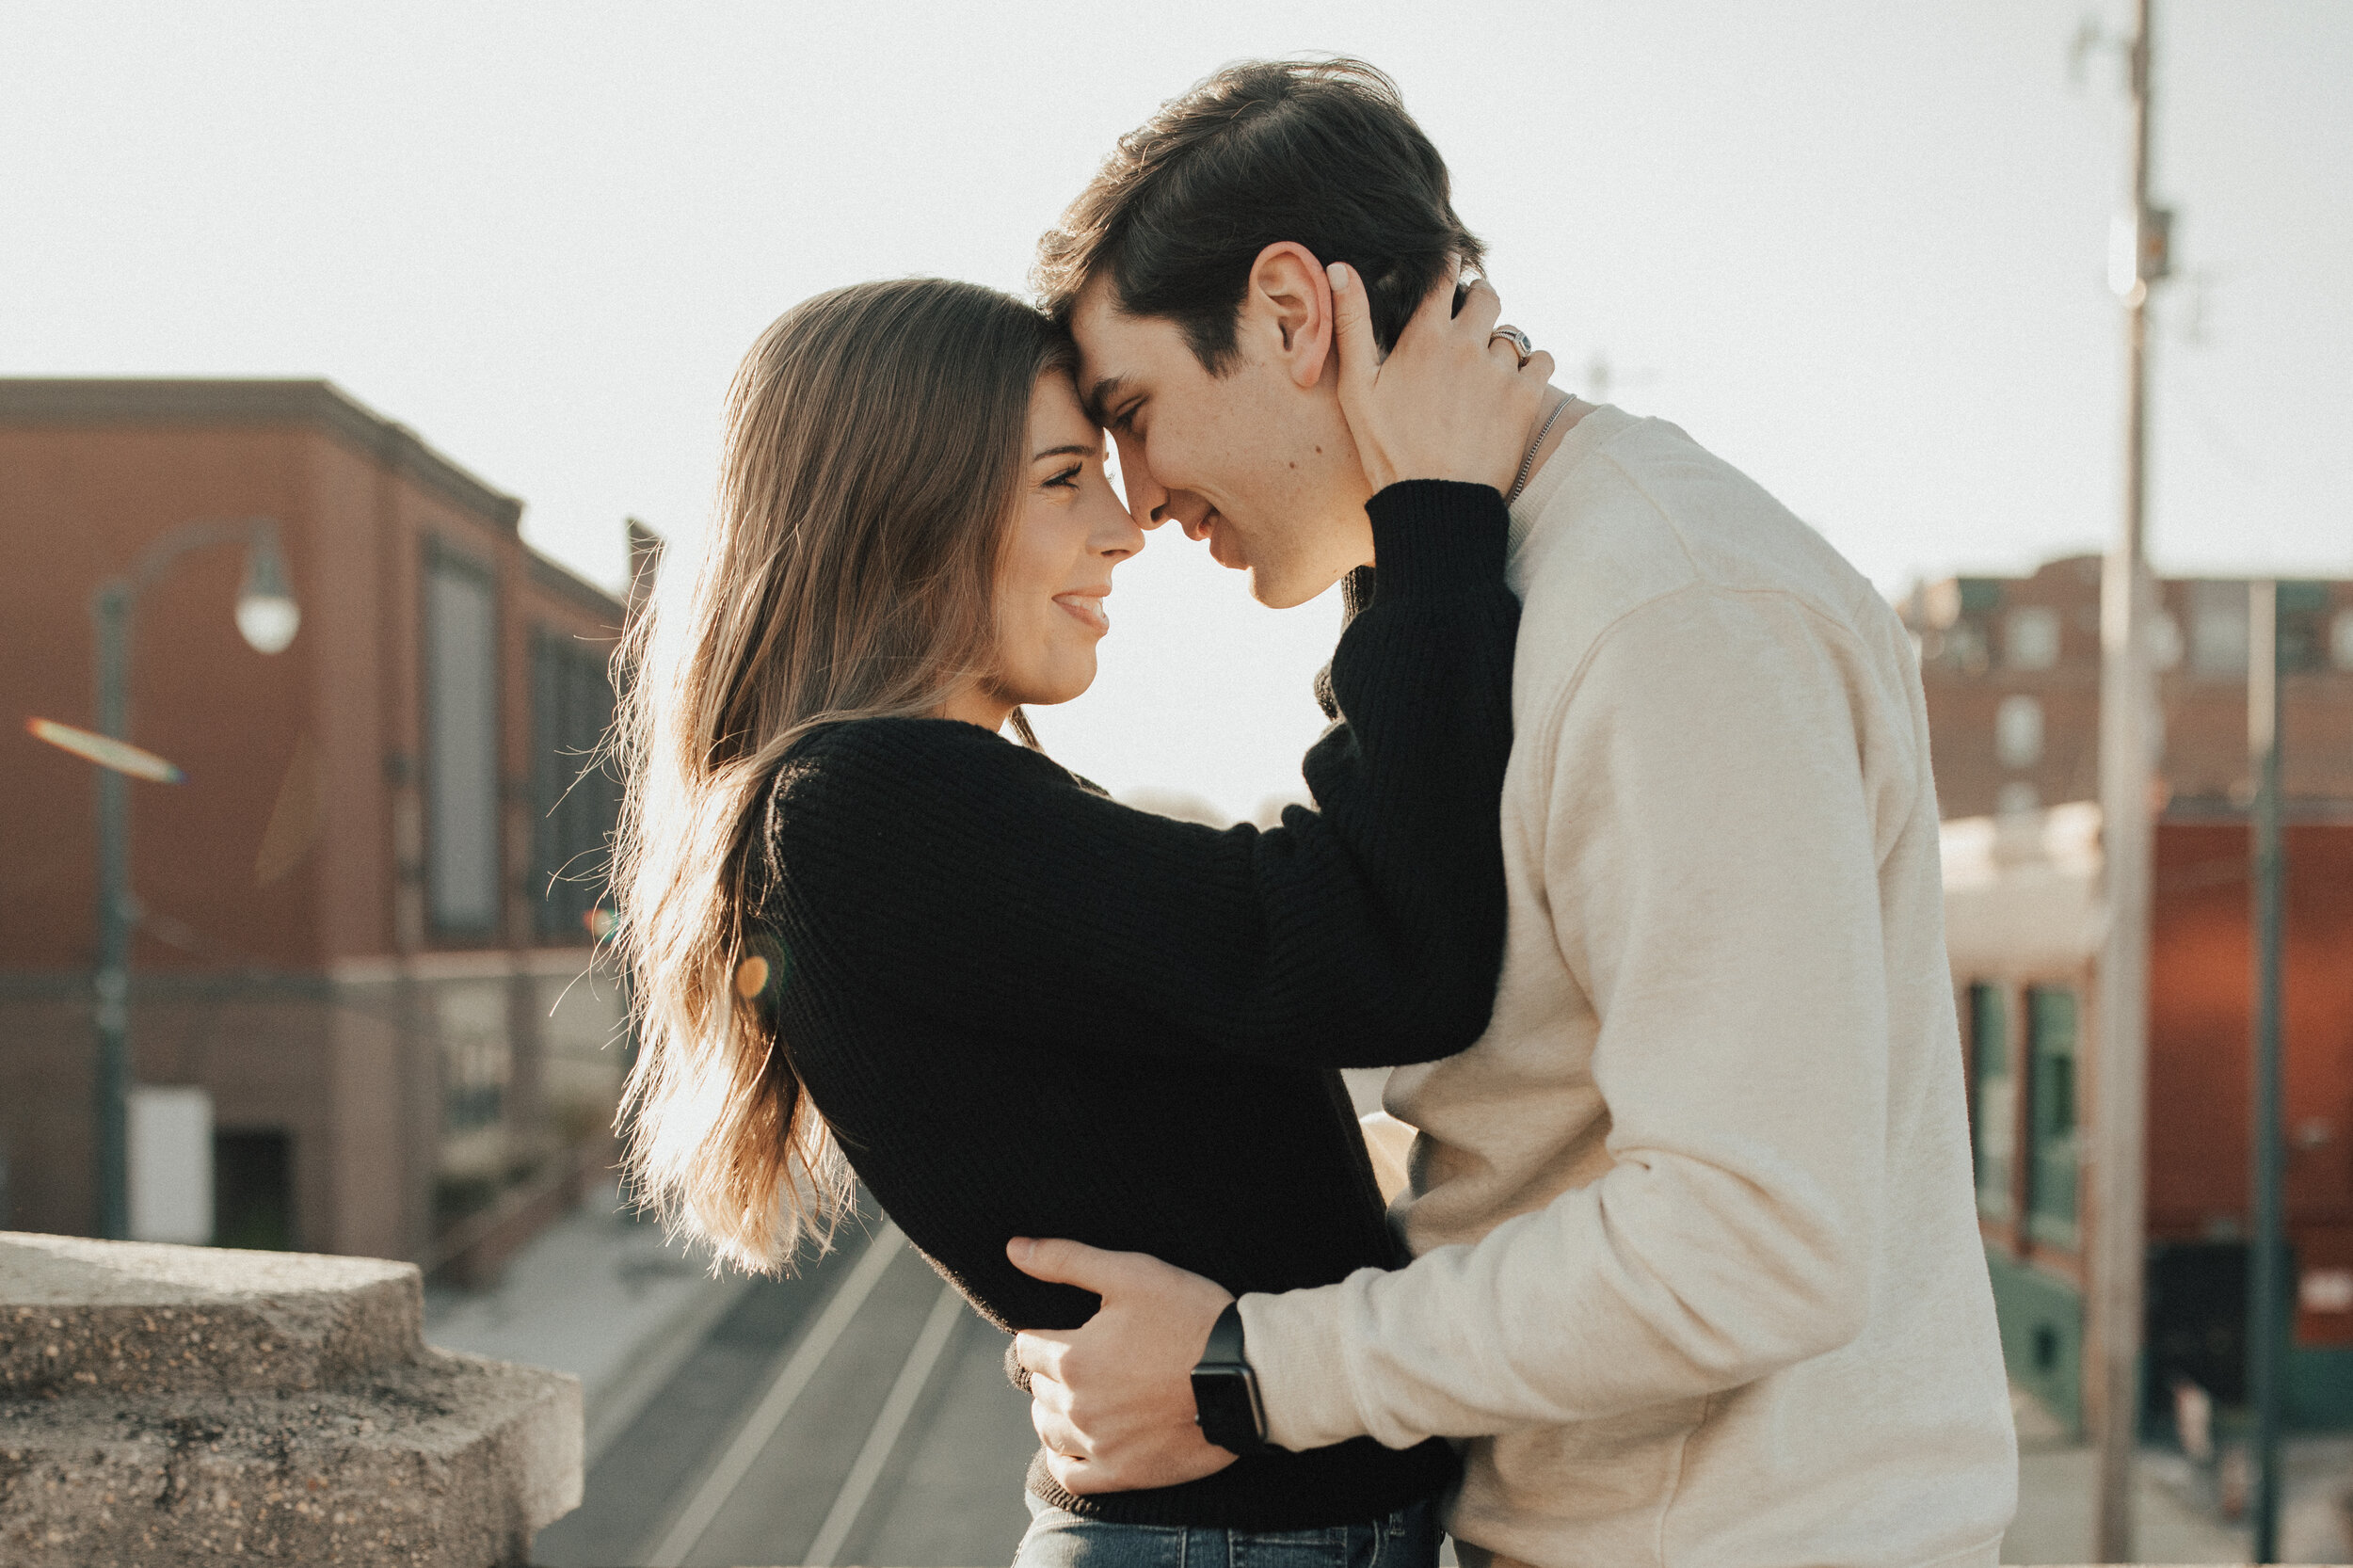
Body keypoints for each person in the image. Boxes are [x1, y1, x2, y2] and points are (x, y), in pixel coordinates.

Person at [1007, 58, 2021, 1568]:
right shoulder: (1495, 597)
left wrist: (1248, 1366)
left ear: (1291, 315)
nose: (1136, 497)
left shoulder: (1669, 603)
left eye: (1135, 410)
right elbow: (1542, 1127)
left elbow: (1757, 1238)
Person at [608, 273, 1550, 1564]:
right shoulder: (869, 806)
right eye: (1064, 478)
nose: (1125, 526)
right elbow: (1376, 947)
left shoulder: (889, 811)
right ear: (903, 504)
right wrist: (1420, 516)